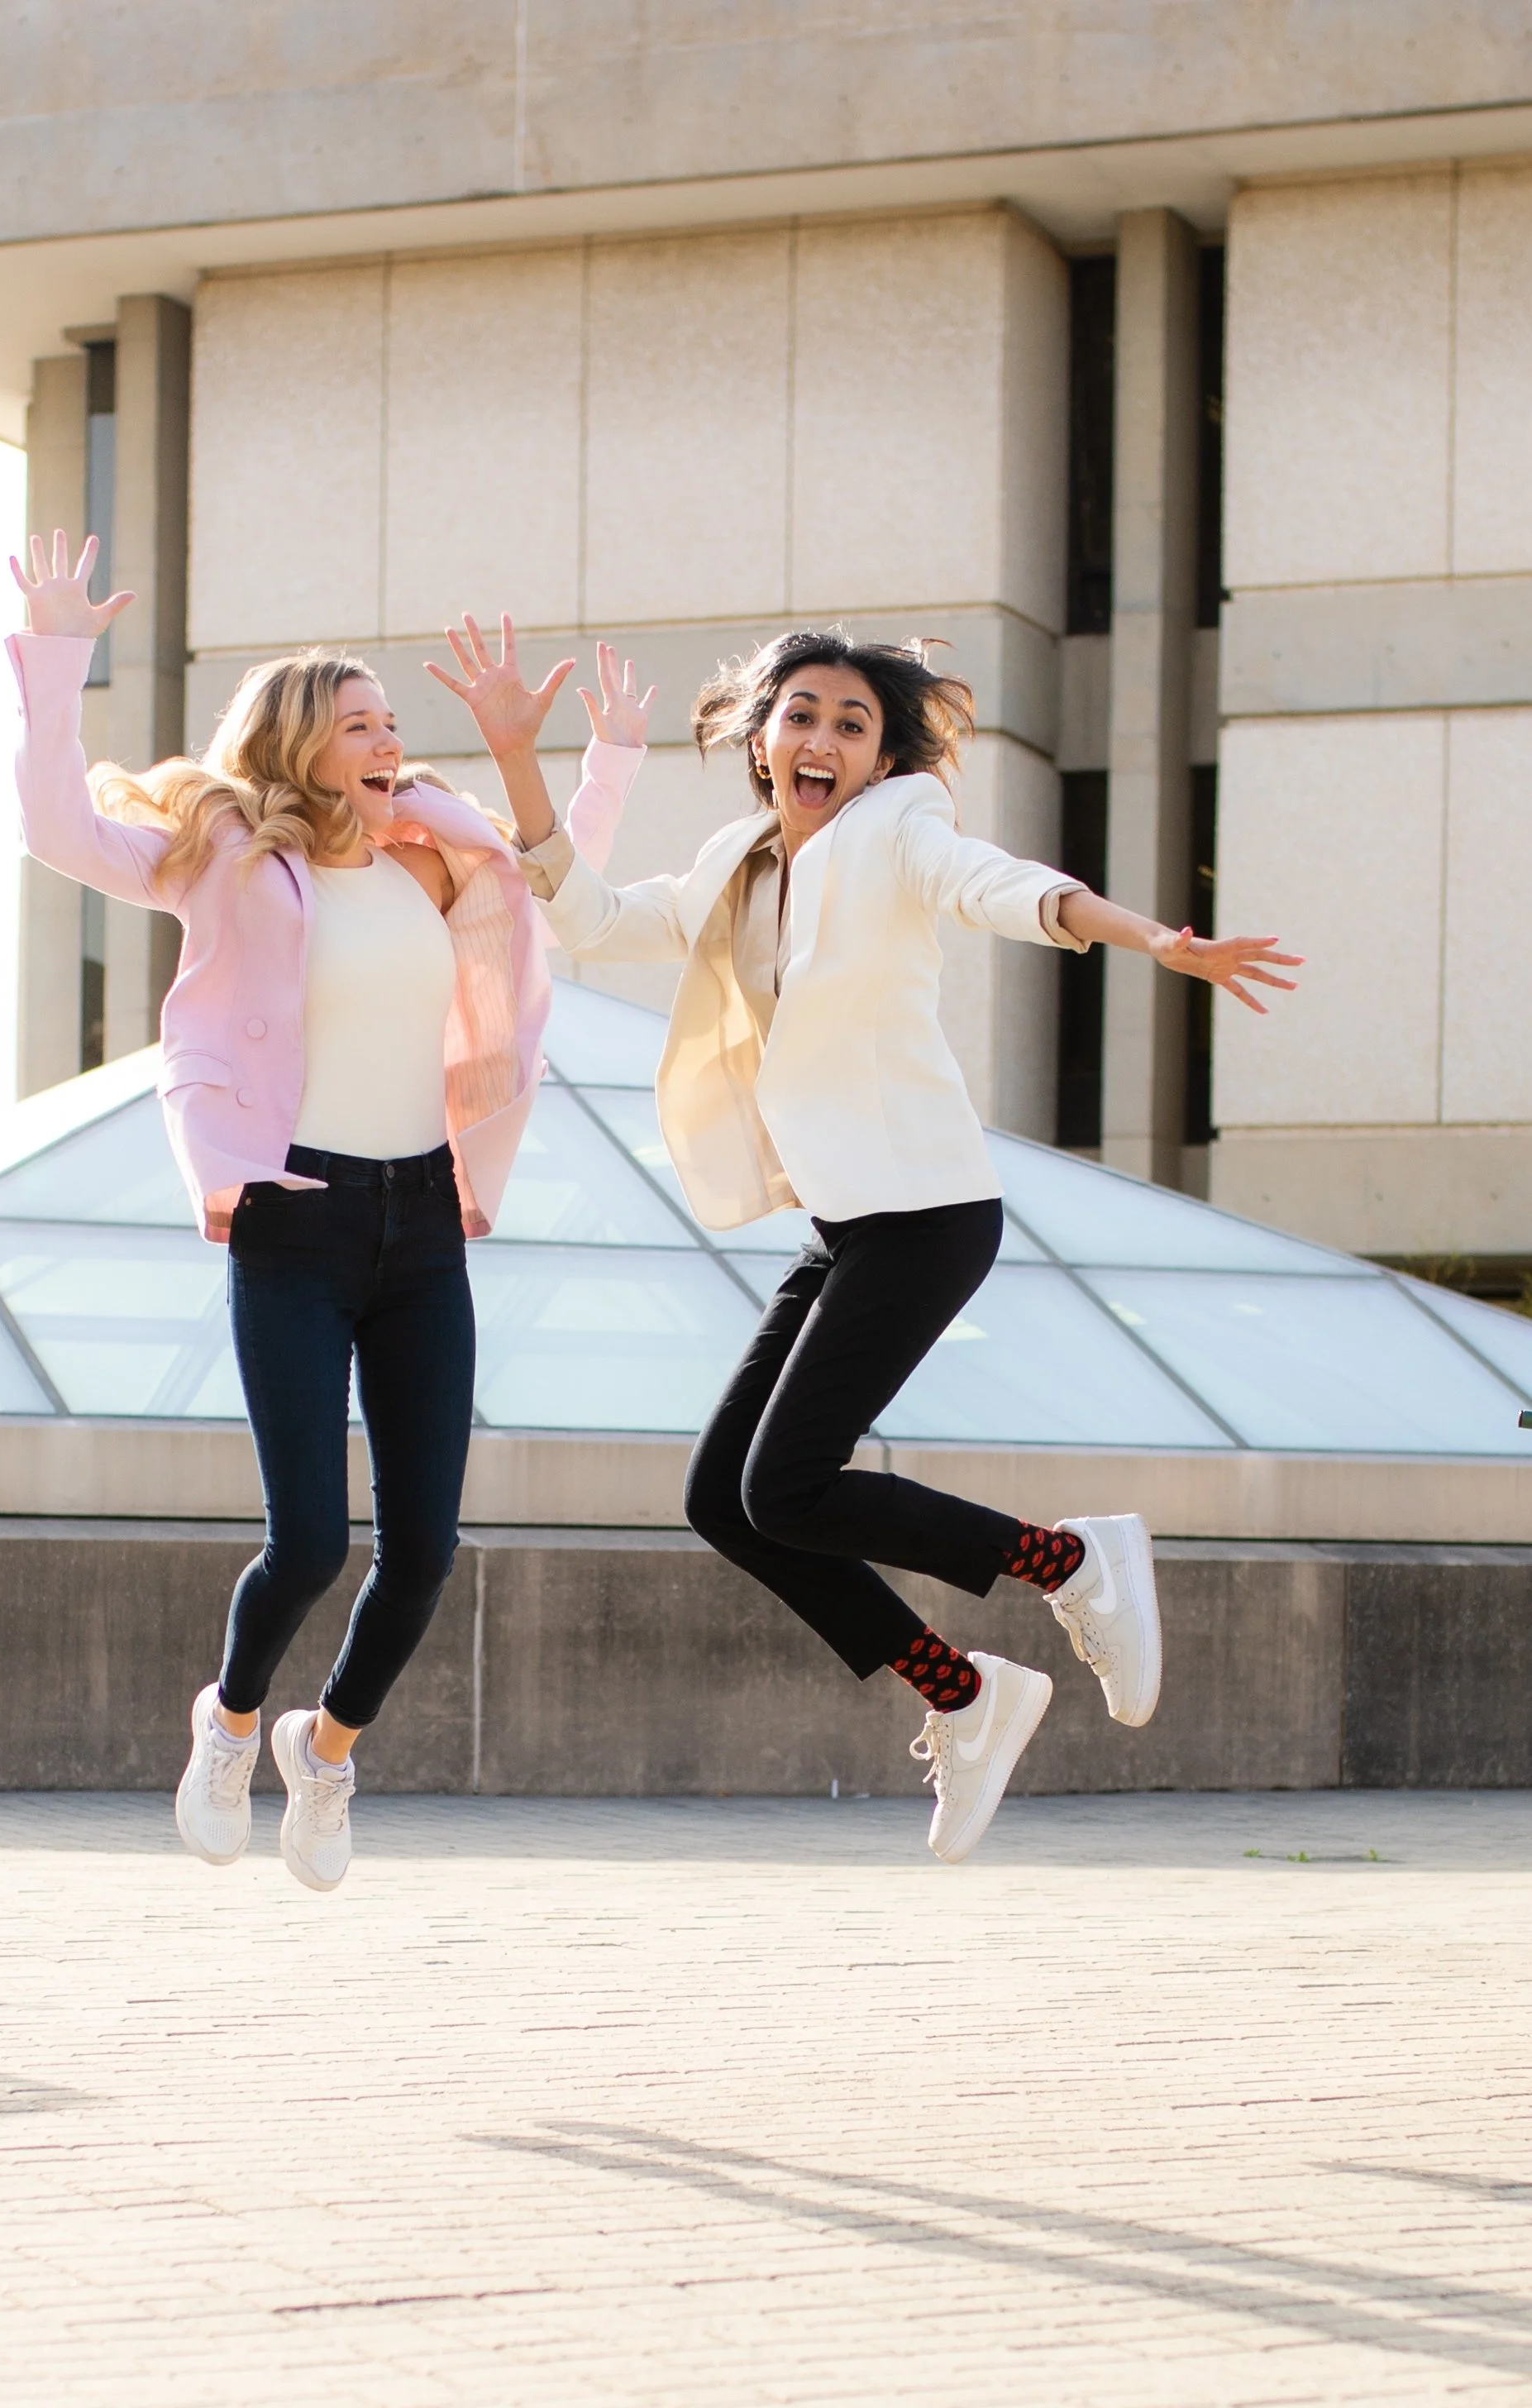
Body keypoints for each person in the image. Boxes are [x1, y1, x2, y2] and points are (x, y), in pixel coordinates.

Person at [429, 614, 1301, 1861]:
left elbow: (1001, 889)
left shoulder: (900, 830)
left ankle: (1069, 1560)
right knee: (728, 1503)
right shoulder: (742, 862)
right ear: (761, 735)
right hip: (847, 1227)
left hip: (928, 1212)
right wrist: (520, 757)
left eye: (855, 723)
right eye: (803, 715)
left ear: (886, 758)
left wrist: (1151, 937)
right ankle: (965, 1691)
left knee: (787, 1483)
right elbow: (599, 921)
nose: (824, 738)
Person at [7, 534, 648, 1888]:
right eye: (358, 721)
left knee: (423, 1552)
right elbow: (61, 830)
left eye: (392, 723)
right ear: (300, 743)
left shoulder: (437, 853)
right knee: (306, 1538)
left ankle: (329, 1747)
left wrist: (601, 767)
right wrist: (57, 656)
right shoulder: (223, 854)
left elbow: (557, 894)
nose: (385, 740)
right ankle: (231, 1720)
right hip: (294, 1221)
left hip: (424, 1228)